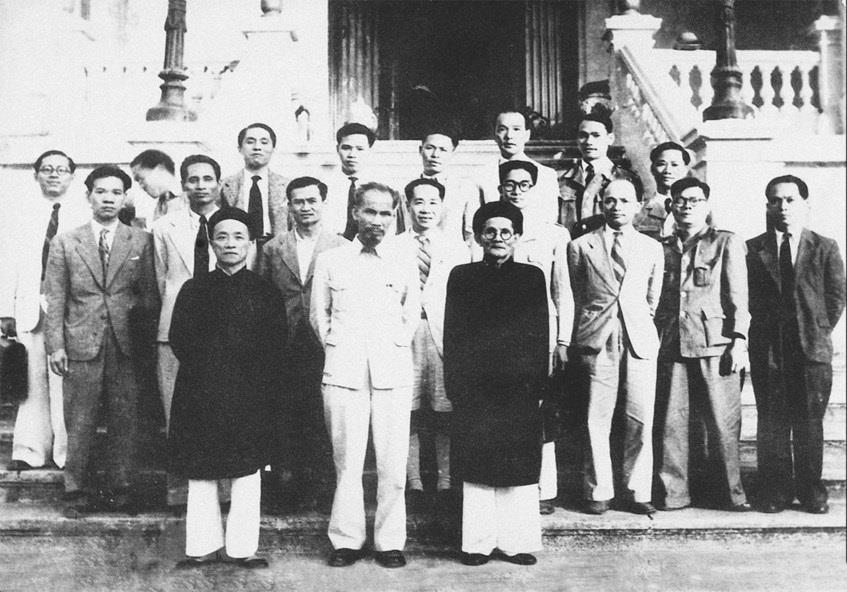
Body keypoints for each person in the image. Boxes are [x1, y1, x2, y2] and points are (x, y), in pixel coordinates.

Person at [167, 207, 287, 569]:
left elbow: (276, 344)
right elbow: (179, 339)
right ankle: (201, 546)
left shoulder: (265, 292)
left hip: (250, 394)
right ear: (212, 244)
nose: (230, 244)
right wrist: (212, 372)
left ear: (251, 243)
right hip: (201, 391)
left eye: (238, 237)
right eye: (222, 237)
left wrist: (249, 379)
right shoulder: (194, 289)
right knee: (201, 471)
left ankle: (241, 549)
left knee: (247, 471)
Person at [310, 182, 420, 569]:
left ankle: (389, 542)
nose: (378, 220)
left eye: (386, 213)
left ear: (394, 216)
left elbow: (411, 315)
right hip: (344, 372)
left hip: (392, 372)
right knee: (347, 462)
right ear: (355, 212)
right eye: (370, 211)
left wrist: (392, 347)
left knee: (393, 465)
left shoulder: (404, 260)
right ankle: (347, 540)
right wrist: (341, 350)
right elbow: (319, 316)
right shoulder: (331, 260)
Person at [44, 165, 159, 518]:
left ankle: (121, 490)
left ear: (124, 198)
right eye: (101, 191)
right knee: (80, 421)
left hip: (126, 344)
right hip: (81, 343)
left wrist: (146, 346)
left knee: (125, 419)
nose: (108, 198)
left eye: (115, 192)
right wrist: (56, 346)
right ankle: (76, 492)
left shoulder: (141, 240)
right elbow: (55, 298)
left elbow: (149, 296)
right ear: (88, 196)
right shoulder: (66, 241)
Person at [444, 201, 548, 566]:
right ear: (478, 237)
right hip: (475, 386)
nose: (498, 238)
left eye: (506, 232)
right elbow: (452, 333)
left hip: (519, 386)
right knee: (478, 463)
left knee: (517, 464)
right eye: (490, 231)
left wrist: (538, 385)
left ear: (517, 236)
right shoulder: (462, 276)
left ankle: (515, 543)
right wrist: (456, 385)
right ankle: (478, 544)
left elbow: (540, 333)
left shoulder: (532, 277)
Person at [566, 171, 663, 516]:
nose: (616, 206)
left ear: (637, 206)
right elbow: (576, 294)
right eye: (610, 200)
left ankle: (637, 490)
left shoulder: (651, 248)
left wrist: (633, 320)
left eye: (624, 200)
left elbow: (652, 299)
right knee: (596, 417)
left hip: (638, 338)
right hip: (597, 337)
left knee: (641, 416)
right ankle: (598, 490)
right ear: (601, 204)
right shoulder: (581, 246)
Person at [747, 175, 845, 514]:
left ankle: (811, 491)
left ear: (805, 204)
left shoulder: (825, 246)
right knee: (772, 422)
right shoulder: (753, 248)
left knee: (808, 423)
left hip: (810, 350)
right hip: (768, 348)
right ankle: (775, 491)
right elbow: (748, 298)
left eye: (790, 200)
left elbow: (836, 297)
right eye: (776, 200)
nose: (783, 207)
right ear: (768, 206)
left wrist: (815, 330)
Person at [652, 178, 751, 512]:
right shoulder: (661, 245)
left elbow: (739, 298)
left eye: (694, 200)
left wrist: (739, 340)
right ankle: (674, 493)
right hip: (671, 343)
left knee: (723, 423)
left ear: (706, 205)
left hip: (715, 344)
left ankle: (730, 494)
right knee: (672, 423)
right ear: (671, 205)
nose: (687, 206)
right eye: (680, 200)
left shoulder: (725, 242)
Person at [0, 150, 90, 472]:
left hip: (70, 308)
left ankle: (66, 453)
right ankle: (29, 449)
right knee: (32, 381)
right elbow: (6, 264)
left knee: (65, 382)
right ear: (36, 174)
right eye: (47, 169)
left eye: (61, 170)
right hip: (29, 305)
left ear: (72, 177)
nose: (54, 174)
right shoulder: (20, 216)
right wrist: (5, 310)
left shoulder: (83, 216)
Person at [260, 176, 347, 510]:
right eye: (298, 201)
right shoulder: (273, 248)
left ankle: (322, 486)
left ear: (323, 203)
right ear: (289, 206)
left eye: (312, 201)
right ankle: (287, 485)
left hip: (324, 341)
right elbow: (264, 295)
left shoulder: (340, 246)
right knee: (286, 413)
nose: (305, 207)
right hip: (285, 342)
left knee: (322, 415)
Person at [496, 160, 573, 515]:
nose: (517, 191)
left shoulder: (552, 234)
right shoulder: (492, 229)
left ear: (534, 188)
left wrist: (562, 341)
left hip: (541, 335)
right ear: (501, 188)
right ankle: (510, 483)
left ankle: (544, 489)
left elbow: (563, 291)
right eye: (510, 185)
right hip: (500, 336)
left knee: (541, 410)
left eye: (524, 184)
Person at [151, 154, 221, 513]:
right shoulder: (165, 226)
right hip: (175, 329)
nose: (200, 186)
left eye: (208, 179)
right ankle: (179, 492)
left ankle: (222, 490)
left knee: (221, 410)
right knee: (176, 412)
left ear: (219, 184)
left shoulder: (234, 223)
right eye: (193, 179)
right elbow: (160, 276)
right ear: (183, 185)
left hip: (222, 331)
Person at [398, 178, 470, 512]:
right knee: (407, 409)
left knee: (444, 409)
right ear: (407, 205)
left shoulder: (457, 248)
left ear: (441, 207)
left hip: (444, 335)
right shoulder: (394, 246)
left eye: (432, 203)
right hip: (405, 336)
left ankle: (445, 481)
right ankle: (412, 480)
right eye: (418, 202)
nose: (425, 209)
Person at [220, 122, 290, 268]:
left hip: (277, 251)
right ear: (240, 148)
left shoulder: (287, 186)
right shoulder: (225, 186)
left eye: (264, 142)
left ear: (273, 149)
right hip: (239, 249)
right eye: (250, 142)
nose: (257, 147)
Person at [323, 123, 407, 238]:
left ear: (370, 150)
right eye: (346, 148)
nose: (352, 155)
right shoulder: (325, 185)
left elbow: (394, 229)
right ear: (337, 149)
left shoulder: (385, 187)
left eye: (360, 149)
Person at [480, 111, 559, 226]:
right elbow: (471, 227)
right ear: (495, 134)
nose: (509, 136)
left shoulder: (546, 175)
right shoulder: (482, 176)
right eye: (502, 129)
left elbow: (550, 220)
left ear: (527, 135)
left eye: (516, 129)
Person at [558, 113, 624, 237]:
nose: (589, 141)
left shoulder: (623, 179)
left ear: (610, 139)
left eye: (596, 135)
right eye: (583, 136)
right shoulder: (561, 180)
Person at [416, 127, 484, 243]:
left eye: (443, 150)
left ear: (453, 153)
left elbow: (471, 235)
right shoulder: (405, 190)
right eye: (429, 148)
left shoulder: (465, 189)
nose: (435, 155)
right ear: (420, 150)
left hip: (452, 252)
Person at [633, 142, 691, 240]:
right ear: (652, 169)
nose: (668, 170)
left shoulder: (699, 210)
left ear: (685, 170)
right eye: (661, 164)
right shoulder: (639, 211)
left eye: (675, 165)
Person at [126, 149, 187, 228]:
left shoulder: (190, 199)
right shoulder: (159, 204)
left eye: (141, 179)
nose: (141, 186)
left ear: (160, 169)